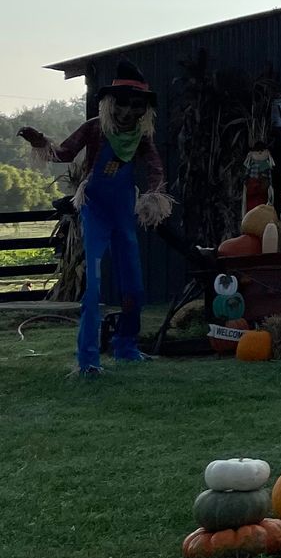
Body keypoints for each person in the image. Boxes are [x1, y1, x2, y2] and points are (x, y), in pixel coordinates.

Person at [18, 60, 174, 374]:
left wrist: (153, 195)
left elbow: (156, 169)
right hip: (96, 211)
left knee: (134, 284)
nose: (128, 113)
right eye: (122, 104)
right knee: (94, 287)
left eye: (136, 106)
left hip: (122, 214)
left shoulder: (141, 139)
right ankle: (88, 360)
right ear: (109, 103)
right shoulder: (94, 128)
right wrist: (39, 142)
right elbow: (63, 153)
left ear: (145, 109)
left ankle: (126, 345)